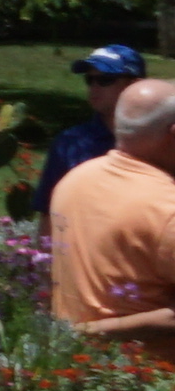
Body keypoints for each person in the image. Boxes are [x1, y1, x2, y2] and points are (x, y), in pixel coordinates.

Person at [51, 76, 175, 367]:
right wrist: (93, 332)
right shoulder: (167, 209)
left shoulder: (74, 180)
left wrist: (75, 335)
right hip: (148, 382)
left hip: (71, 371)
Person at [42, 45, 148, 219]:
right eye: (89, 80)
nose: (94, 87)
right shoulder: (70, 143)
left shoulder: (160, 140)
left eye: (105, 80)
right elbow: (49, 212)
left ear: (134, 85)